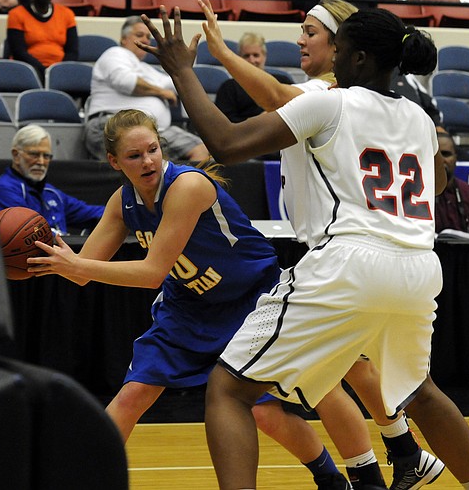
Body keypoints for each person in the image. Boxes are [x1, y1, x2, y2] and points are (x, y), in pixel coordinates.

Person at [143, 2, 469, 489]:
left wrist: (183, 71)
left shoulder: (330, 101)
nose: (334, 60)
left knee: (228, 390)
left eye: (342, 50)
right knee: (421, 392)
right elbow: (435, 183)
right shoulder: (418, 115)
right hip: (418, 266)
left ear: (360, 59)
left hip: (349, 260)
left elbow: (225, 143)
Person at [26, 109, 365, 490]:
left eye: (153, 149)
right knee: (133, 394)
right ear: (114, 161)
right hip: (188, 306)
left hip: (251, 301)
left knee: (266, 413)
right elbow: (83, 272)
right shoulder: (123, 203)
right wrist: (49, 261)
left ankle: (332, 478)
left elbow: (150, 272)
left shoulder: (187, 186)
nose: (148, 160)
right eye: (134, 156)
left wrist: (77, 266)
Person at [84, 16, 209, 163]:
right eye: (139, 35)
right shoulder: (115, 54)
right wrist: (160, 92)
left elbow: (174, 83)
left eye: (148, 37)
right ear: (124, 39)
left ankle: (190, 186)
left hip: (153, 130)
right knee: (136, 164)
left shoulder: (146, 69)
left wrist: (183, 65)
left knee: (201, 148)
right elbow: (126, 81)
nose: (145, 40)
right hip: (113, 123)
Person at [0, 124, 103, 235]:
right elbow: (27, 230)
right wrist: (60, 237)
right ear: (16, 155)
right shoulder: (2, 188)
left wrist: (118, 211)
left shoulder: (50, 192)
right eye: (34, 154)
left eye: (46, 156)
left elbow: (90, 212)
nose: (41, 162)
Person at [6, 0, 78, 82]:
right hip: (28, 70)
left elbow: (72, 51)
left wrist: (60, 70)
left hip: (60, 71)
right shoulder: (16, 14)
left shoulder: (67, 14)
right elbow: (18, 52)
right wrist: (43, 71)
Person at [215, 32, 293, 124]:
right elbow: (224, 124)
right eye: (246, 56)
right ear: (239, 58)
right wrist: (259, 121)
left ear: (264, 56)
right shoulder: (228, 88)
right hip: (244, 135)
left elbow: (298, 109)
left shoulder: (282, 82)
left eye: (256, 55)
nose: (251, 61)